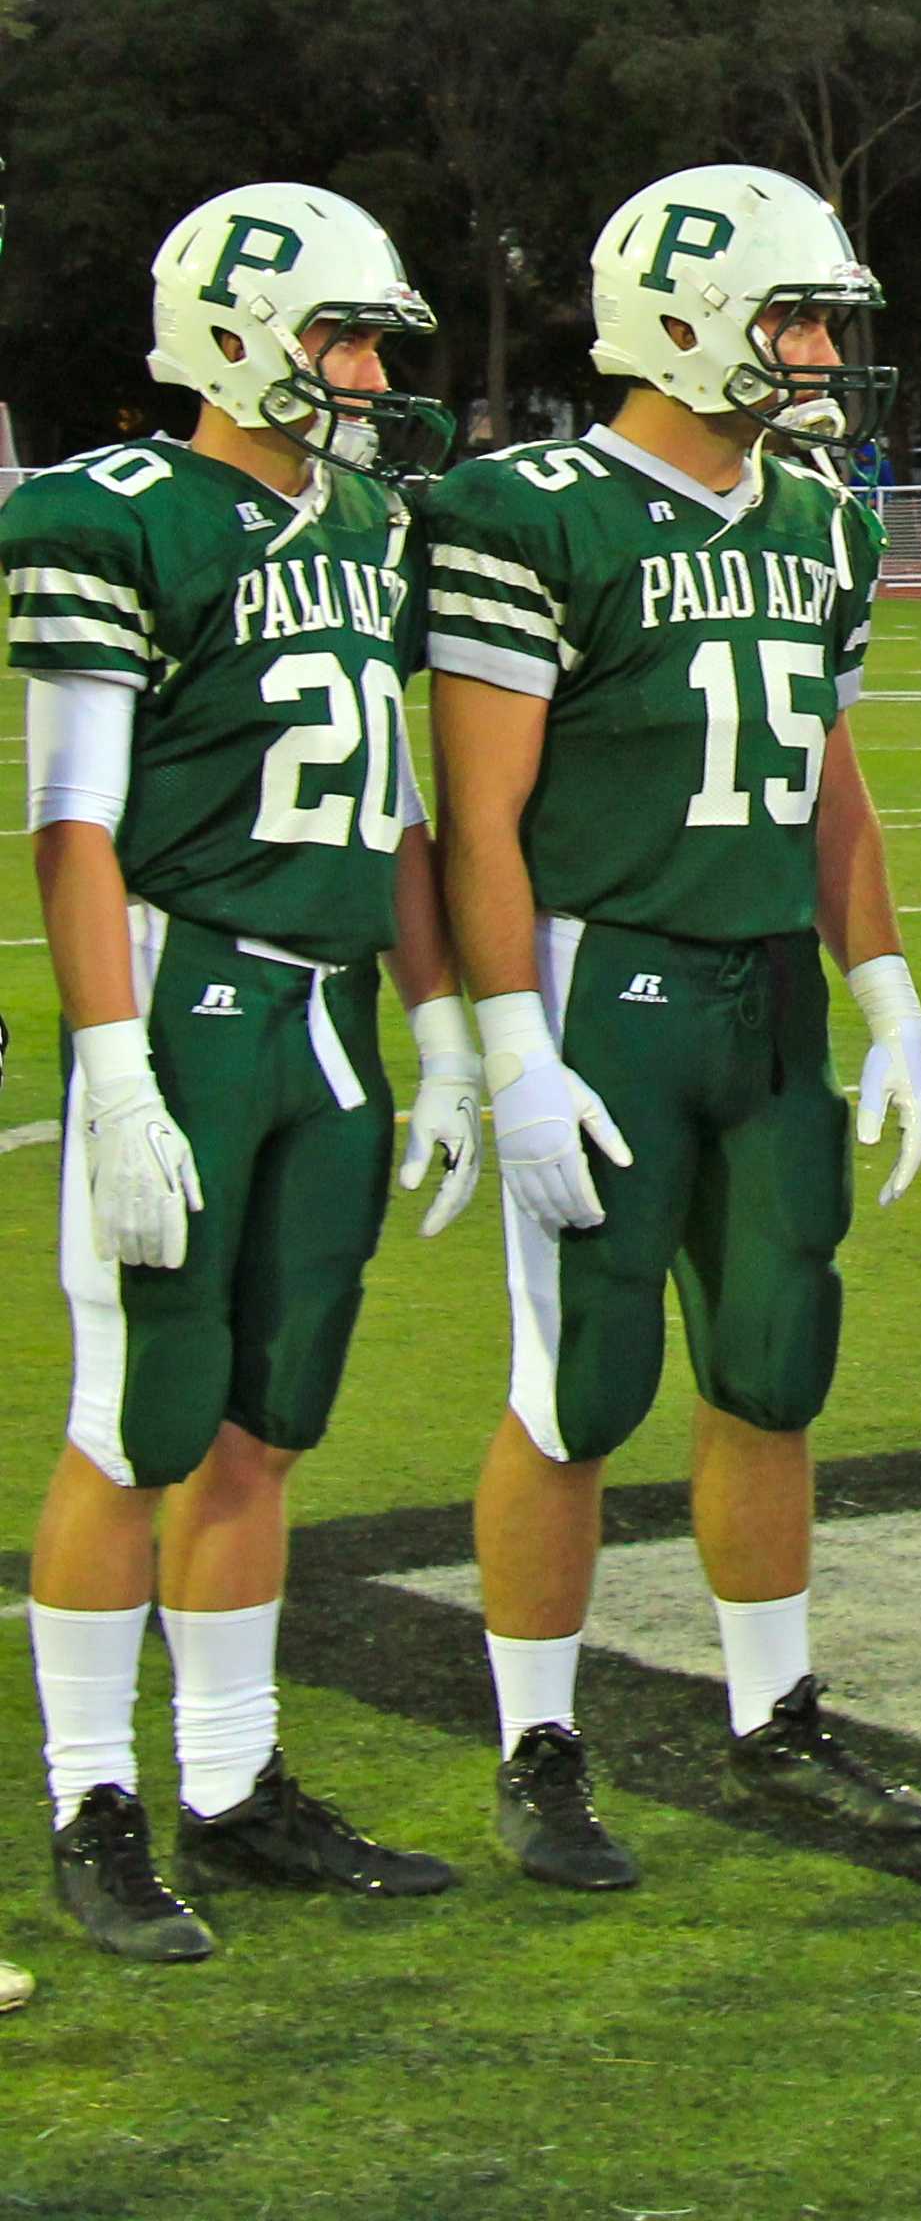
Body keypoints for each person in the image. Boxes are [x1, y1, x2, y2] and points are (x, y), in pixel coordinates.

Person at [426, 162, 921, 1890]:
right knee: (576, 1384)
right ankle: (538, 1742)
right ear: (678, 315)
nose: (815, 352)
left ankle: (775, 1709)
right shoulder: (532, 512)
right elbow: (477, 814)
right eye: (793, 315)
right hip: (607, 980)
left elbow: (831, 782)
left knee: (774, 1359)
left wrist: (884, 983)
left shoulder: (819, 518)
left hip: (766, 993)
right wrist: (510, 1038)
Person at [5, 183, 468, 1964]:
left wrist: (436, 1028)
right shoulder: (122, 515)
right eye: (340, 338)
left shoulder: (362, 519)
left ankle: (228, 1775)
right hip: (187, 1000)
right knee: (136, 1421)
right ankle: (89, 1804)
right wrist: (112, 1069)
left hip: (326, 1014)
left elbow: (401, 800)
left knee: (269, 1424)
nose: (365, 373)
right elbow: (75, 822)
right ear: (232, 338)